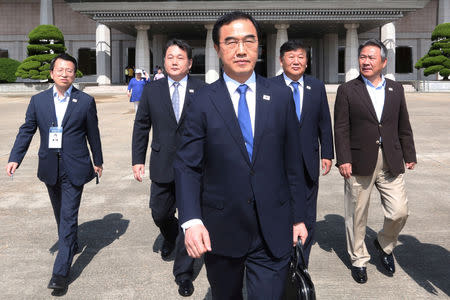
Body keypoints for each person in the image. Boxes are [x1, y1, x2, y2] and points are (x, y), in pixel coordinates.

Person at [173, 11, 308, 300]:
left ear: (259, 46)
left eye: (249, 41)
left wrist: (299, 217)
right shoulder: (202, 101)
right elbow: (187, 165)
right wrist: (191, 220)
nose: (241, 49)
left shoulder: (281, 96)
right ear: (217, 49)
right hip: (220, 228)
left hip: (273, 227)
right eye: (231, 42)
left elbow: (293, 163)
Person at [5, 53, 103, 293]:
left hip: (76, 166)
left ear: (74, 74)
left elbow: (93, 133)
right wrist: (15, 157)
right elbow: (26, 130)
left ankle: (60, 272)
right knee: (61, 213)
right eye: (60, 69)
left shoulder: (85, 101)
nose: (64, 74)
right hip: (49, 166)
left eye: (69, 70)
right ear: (51, 73)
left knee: (68, 216)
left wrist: (97, 161)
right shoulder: (38, 101)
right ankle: (71, 241)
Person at [334, 39, 417, 284]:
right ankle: (359, 259)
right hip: (359, 160)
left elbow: (403, 124)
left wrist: (409, 154)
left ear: (383, 61)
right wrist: (344, 158)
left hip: (391, 158)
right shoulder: (348, 89)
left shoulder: (396, 88)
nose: (365, 61)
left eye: (371, 57)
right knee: (357, 214)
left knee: (399, 211)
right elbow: (341, 128)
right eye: (362, 57)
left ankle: (383, 245)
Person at [132, 39, 206, 297]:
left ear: (189, 63)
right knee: (159, 212)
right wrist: (137, 159)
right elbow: (142, 126)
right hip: (162, 163)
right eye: (170, 57)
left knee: (190, 218)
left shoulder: (203, 89)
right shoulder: (152, 90)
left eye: (180, 57)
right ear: (164, 61)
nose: (174, 61)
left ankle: (184, 274)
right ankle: (170, 233)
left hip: (195, 166)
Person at [271, 39, 334, 266]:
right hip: (277, 161)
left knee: (308, 210)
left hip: (308, 159)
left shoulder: (316, 86)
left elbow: (324, 122)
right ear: (281, 60)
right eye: (291, 57)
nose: (296, 61)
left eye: (301, 57)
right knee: (281, 205)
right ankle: (281, 250)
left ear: (307, 62)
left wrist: (327, 152)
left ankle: (301, 260)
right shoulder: (270, 87)